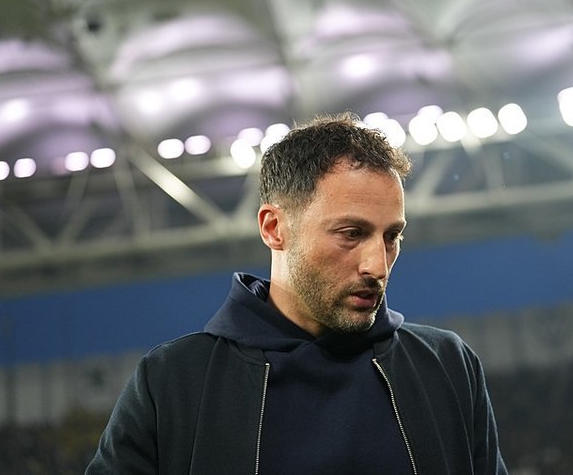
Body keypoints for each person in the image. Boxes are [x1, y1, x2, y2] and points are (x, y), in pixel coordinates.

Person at [86, 112, 507, 474]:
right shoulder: (172, 382)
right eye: (351, 233)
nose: (377, 266)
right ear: (274, 228)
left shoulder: (447, 366)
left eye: (391, 236)